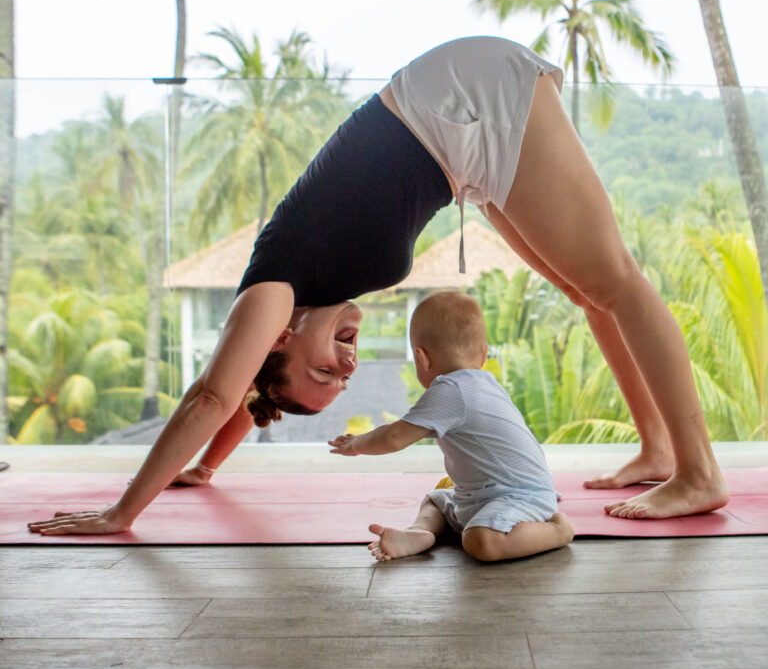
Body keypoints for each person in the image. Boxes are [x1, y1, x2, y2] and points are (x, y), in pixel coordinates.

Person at [28, 36, 728, 537]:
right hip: (460, 147)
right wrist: (205, 468)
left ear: (278, 338)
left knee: (616, 282)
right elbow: (249, 397)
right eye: (341, 380)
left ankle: (698, 472)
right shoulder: (299, 308)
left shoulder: (274, 289)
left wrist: (123, 512)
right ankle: (660, 451)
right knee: (591, 290)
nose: (347, 367)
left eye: (325, 370)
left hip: (461, 104)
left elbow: (217, 393)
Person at [329, 292, 574, 562]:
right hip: (480, 497)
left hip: (519, 497)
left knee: (481, 541)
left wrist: (357, 444)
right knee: (436, 499)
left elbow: (395, 436)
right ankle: (420, 531)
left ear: (421, 358)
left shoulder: (451, 390)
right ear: (483, 353)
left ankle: (558, 531)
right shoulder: (484, 384)